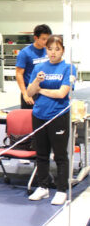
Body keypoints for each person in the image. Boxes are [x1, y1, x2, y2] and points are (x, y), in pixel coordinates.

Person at [26, 35, 77, 205]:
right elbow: (29, 92)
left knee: (60, 155)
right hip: (39, 115)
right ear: (46, 49)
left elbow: (62, 93)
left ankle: (62, 190)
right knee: (41, 154)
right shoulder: (39, 68)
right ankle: (43, 187)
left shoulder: (68, 68)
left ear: (62, 50)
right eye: (50, 49)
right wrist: (36, 82)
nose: (53, 52)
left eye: (57, 49)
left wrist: (41, 90)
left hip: (58, 116)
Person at [16, 24, 52, 109]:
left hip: (45, 91)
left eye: (48, 39)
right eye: (44, 39)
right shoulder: (25, 53)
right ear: (36, 38)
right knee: (29, 120)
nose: (46, 41)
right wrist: (25, 94)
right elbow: (19, 74)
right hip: (31, 92)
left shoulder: (49, 51)